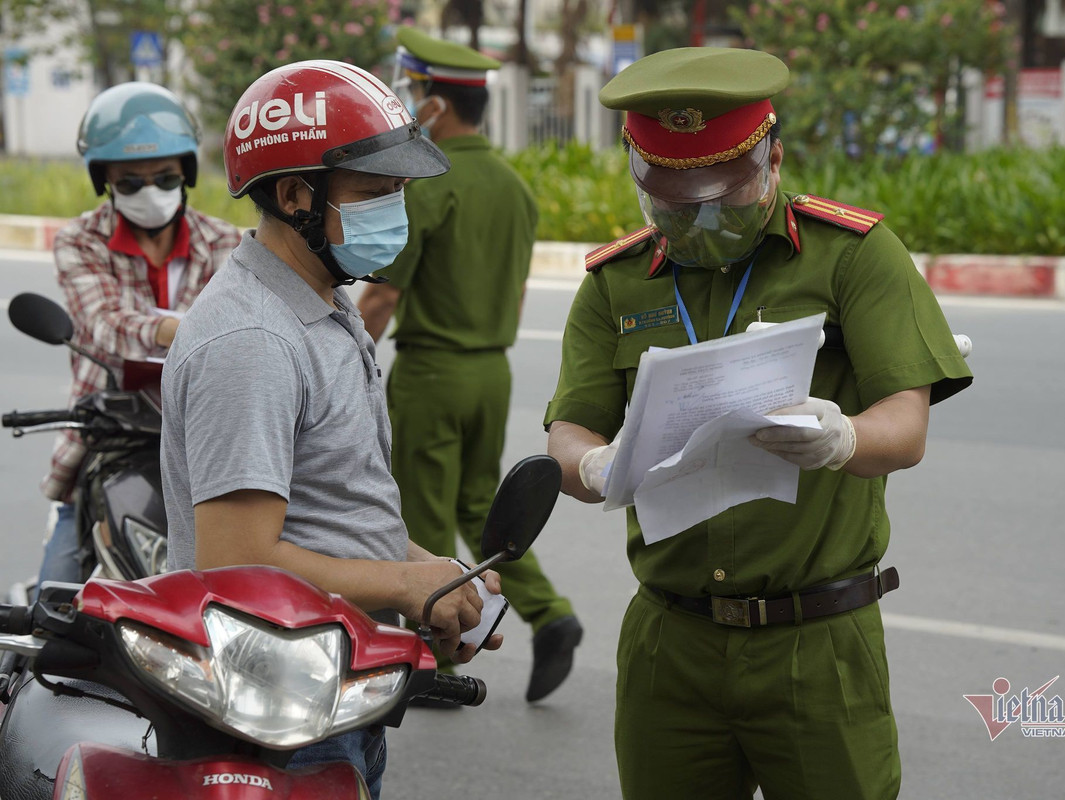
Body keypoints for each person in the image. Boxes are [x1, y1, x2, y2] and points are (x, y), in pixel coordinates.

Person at [544, 47, 973, 800]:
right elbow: (569, 430)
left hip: (817, 644)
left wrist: (841, 438)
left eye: (723, 196)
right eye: (673, 203)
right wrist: (590, 466)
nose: (700, 219)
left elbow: (905, 428)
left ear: (773, 155)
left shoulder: (853, 257)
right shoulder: (614, 282)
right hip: (668, 645)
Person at [160, 60, 500, 800]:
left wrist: (434, 575)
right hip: (276, 723)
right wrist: (408, 583)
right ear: (293, 195)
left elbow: (332, 501)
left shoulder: (325, 300)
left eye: (402, 191)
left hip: (331, 693)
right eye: (377, 193)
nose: (397, 212)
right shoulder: (252, 341)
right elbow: (236, 563)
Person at [358, 28, 582, 704]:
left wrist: (348, 365)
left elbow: (383, 294)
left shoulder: (427, 183)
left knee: (423, 516)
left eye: (412, 90)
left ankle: (435, 667)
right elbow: (514, 296)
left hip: (432, 372)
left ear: (433, 105)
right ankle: (549, 614)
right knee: (482, 506)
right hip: (493, 371)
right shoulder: (515, 188)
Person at [39, 81, 240, 586]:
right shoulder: (80, 241)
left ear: (187, 173)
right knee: (51, 610)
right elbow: (106, 324)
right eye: (130, 182)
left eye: (164, 177)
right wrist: (195, 330)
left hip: (207, 438)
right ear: (103, 179)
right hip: (111, 440)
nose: (149, 191)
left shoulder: (226, 242)